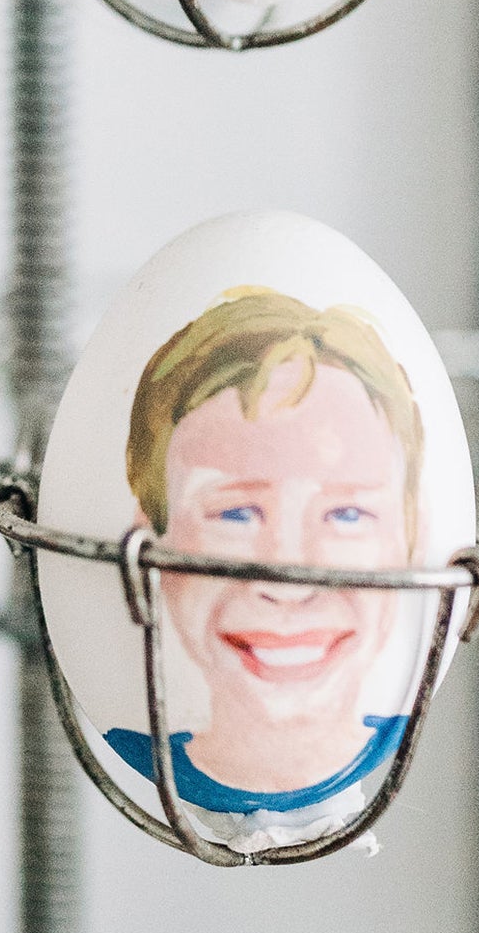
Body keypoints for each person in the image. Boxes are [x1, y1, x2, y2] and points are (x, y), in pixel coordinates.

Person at [105, 286, 424, 814]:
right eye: (235, 514)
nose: (288, 582)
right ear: (147, 536)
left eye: (346, 515)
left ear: (412, 534)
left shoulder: (400, 729)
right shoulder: (137, 738)